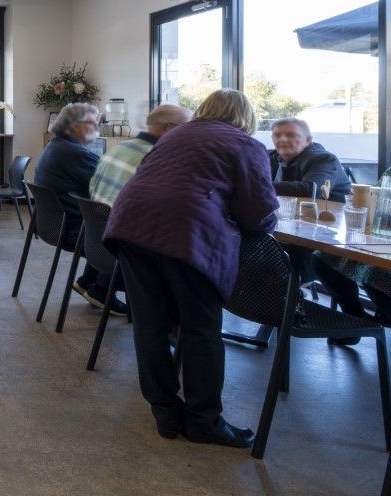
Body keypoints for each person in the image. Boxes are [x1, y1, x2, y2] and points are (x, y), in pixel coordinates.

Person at [106, 89, 278, 448]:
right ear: (246, 117)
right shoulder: (245, 145)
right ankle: (203, 420)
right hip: (187, 233)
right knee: (201, 329)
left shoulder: (175, 135)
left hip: (132, 225)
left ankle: (165, 412)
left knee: (150, 325)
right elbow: (258, 213)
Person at [35, 102, 123, 314]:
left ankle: (88, 281)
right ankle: (102, 290)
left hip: (54, 225)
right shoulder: (74, 153)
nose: (97, 128)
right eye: (92, 123)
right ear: (74, 126)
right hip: (72, 230)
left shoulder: (56, 147)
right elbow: (109, 186)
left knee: (103, 221)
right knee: (129, 237)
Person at [89, 104, 192, 206]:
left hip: (97, 215)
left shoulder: (116, 148)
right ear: (168, 128)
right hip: (124, 216)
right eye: (186, 129)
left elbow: (92, 188)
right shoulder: (161, 160)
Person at [269, 117, 351, 201]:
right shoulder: (270, 157)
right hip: (289, 209)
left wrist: (262, 187)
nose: (282, 139)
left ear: (308, 140)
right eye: (277, 135)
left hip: (327, 209)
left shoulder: (325, 159)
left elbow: (310, 190)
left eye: (290, 135)